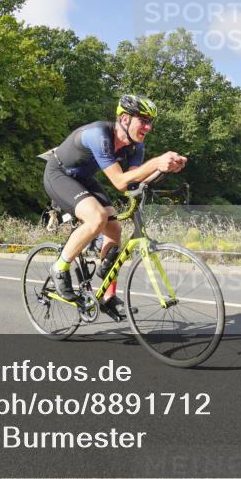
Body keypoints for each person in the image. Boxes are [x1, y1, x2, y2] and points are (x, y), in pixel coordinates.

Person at [42, 94, 187, 321]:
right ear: (125, 119)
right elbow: (120, 181)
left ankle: (107, 297)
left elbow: (132, 182)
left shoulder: (135, 147)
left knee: (115, 230)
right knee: (97, 218)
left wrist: (166, 169)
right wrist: (156, 162)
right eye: (143, 120)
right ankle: (59, 267)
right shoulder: (98, 135)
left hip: (84, 178)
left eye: (151, 122)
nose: (148, 127)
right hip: (58, 174)